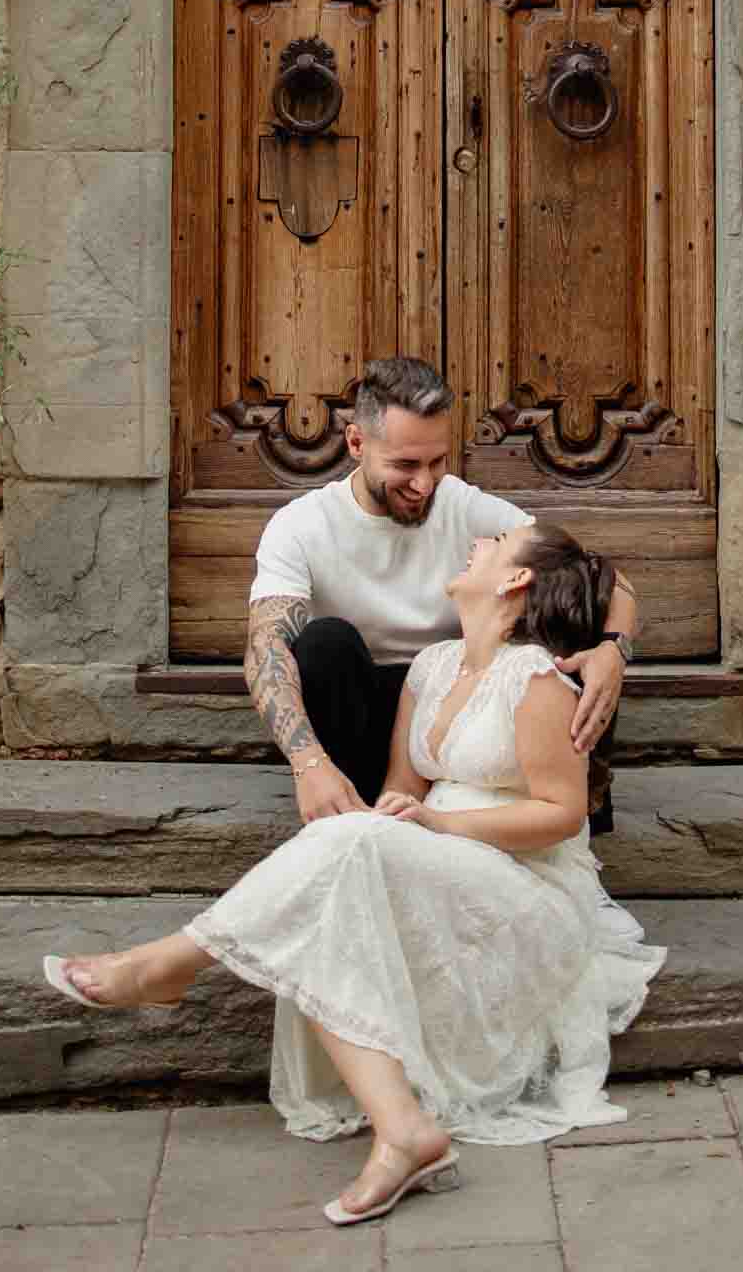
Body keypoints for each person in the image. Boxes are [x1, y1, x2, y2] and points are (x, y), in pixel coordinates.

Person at [43, 521, 665, 1225]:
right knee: (342, 873)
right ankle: (403, 1131)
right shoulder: (433, 667)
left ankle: (174, 964)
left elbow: (560, 813)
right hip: (449, 868)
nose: (479, 542)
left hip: (526, 887)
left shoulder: (538, 677)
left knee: (347, 850)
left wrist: (439, 827)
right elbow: (406, 789)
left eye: (496, 543)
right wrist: (407, 822)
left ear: (516, 579)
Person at [242, 355, 638, 826]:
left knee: (569, 601)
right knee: (323, 642)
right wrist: (309, 764)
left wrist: (614, 651)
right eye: (405, 464)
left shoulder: (462, 505)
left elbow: (595, 578)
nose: (424, 483)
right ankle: (352, 812)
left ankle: (567, 803)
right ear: (355, 442)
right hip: (361, 713)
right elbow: (264, 645)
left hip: (457, 704)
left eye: (437, 461)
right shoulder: (301, 526)